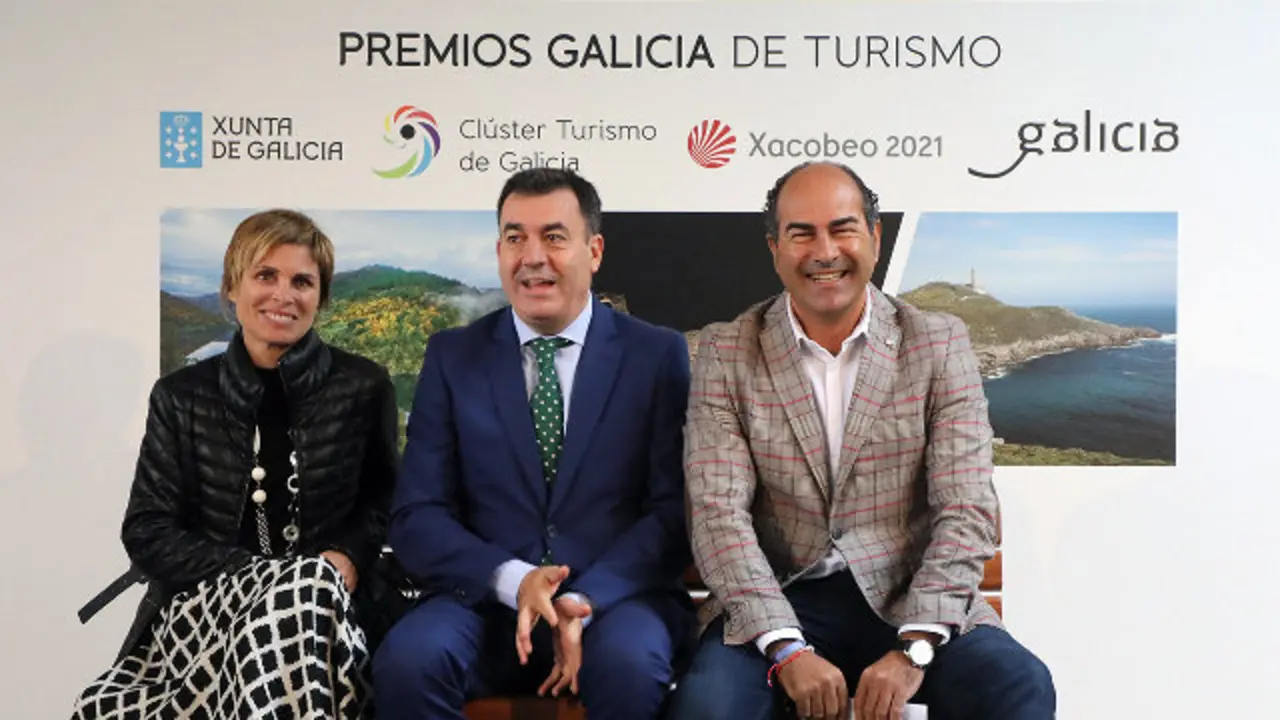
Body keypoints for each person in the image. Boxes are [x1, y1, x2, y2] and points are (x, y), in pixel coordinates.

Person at [666, 162, 1056, 720]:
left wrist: (915, 647)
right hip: (783, 596)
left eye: (842, 228)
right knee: (707, 709)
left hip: (908, 596)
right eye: (801, 233)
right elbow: (717, 515)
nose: (824, 251)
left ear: (873, 238)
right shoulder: (728, 353)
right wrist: (786, 648)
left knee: (1018, 686)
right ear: (775, 248)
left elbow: (965, 507)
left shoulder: (937, 344)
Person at [373, 168, 694, 720]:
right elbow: (416, 516)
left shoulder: (657, 356)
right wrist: (515, 580)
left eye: (554, 236)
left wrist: (580, 601)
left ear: (593, 251)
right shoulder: (453, 357)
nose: (532, 256)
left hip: (612, 606)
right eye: (516, 238)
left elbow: (673, 515)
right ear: (499, 251)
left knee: (632, 665)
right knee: (408, 661)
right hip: (483, 606)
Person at [72, 209, 399, 719]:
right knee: (295, 592)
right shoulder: (181, 396)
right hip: (209, 609)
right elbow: (147, 529)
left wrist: (350, 556)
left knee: (304, 594)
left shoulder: (364, 385)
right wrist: (261, 578)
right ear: (231, 287)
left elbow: (386, 498)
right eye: (265, 275)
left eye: (302, 281)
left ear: (321, 297)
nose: (283, 295)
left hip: (333, 610)